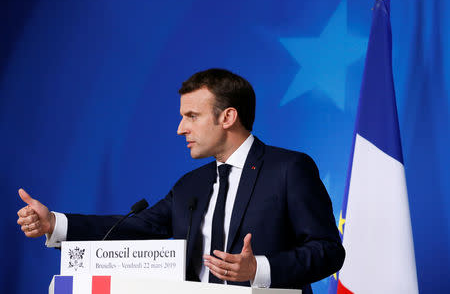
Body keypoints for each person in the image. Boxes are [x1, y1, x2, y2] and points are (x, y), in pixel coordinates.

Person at [17, 68, 344, 293]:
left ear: (227, 117)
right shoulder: (191, 185)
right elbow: (136, 227)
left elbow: (328, 251)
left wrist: (259, 269)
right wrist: (55, 224)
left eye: (192, 116)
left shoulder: (289, 168)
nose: (180, 128)